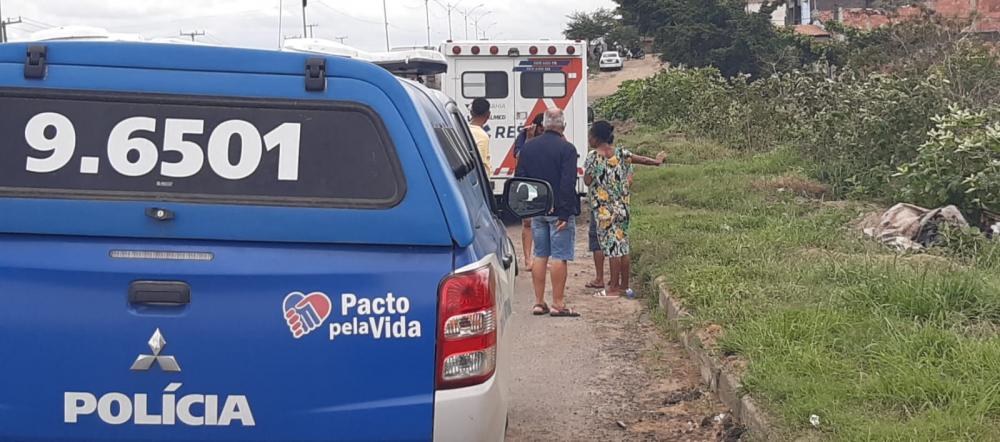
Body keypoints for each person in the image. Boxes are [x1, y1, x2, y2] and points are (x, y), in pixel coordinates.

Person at [584, 121, 666, 298]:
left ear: (596, 138)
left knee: (612, 247)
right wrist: (657, 162)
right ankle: (624, 286)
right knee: (623, 246)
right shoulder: (621, 153)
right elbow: (642, 160)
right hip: (622, 206)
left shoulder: (593, 156)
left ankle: (612, 289)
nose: (589, 139)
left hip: (604, 210)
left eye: (590, 135)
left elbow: (588, 181)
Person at [515, 108, 581, 317]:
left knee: (540, 254)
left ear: (543, 125)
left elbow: (521, 179)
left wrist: (530, 206)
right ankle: (558, 304)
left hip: (537, 210)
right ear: (563, 126)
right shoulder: (567, 149)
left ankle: (538, 302)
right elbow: (567, 182)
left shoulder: (528, 148)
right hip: (558, 211)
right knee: (559, 257)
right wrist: (564, 212)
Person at [513, 113, 547, 270]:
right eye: (541, 128)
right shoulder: (524, 135)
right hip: (526, 183)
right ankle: (528, 259)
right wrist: (529, 138)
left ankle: (541, 258)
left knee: (544, 222)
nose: (543, 131)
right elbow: (519, 157)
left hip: (544, 183)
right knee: (527, 222)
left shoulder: (552, 137)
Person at [468, 98, 492, 174]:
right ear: (488, 114)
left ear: (471, 112)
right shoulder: (483, 136)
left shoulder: (464, 129)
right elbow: (481, 163)